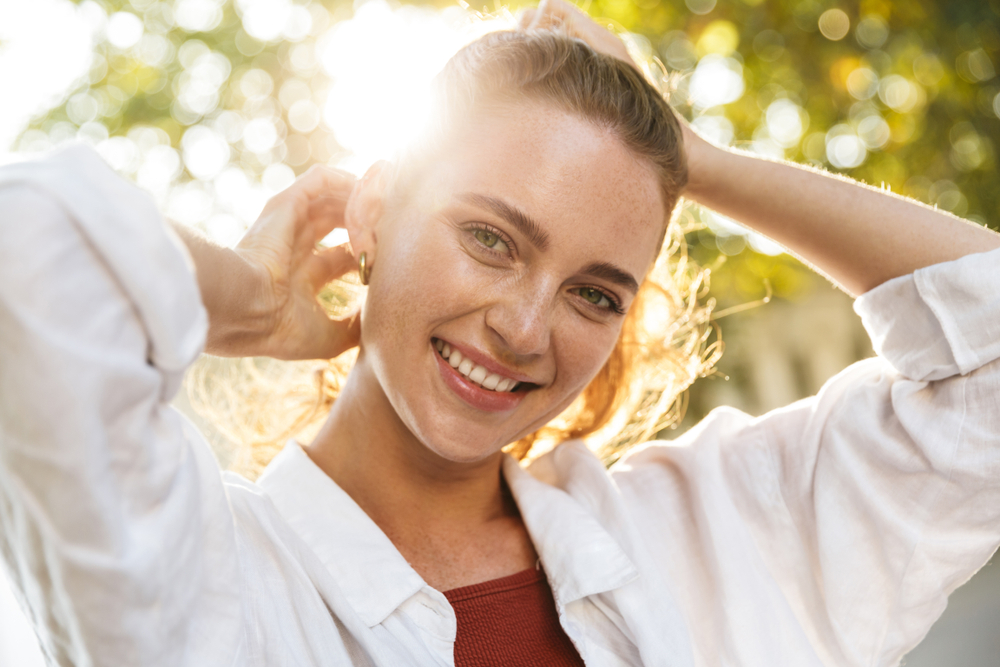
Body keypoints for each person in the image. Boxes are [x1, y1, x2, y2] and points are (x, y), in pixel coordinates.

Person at [1, 2, 999, 665]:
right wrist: (254, 302)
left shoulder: (712, 531)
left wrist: (692, 161)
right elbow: (27, 247)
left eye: (596, 294)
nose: (525, 328)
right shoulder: (198, 567)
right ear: (378, 213)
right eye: (489, 238)